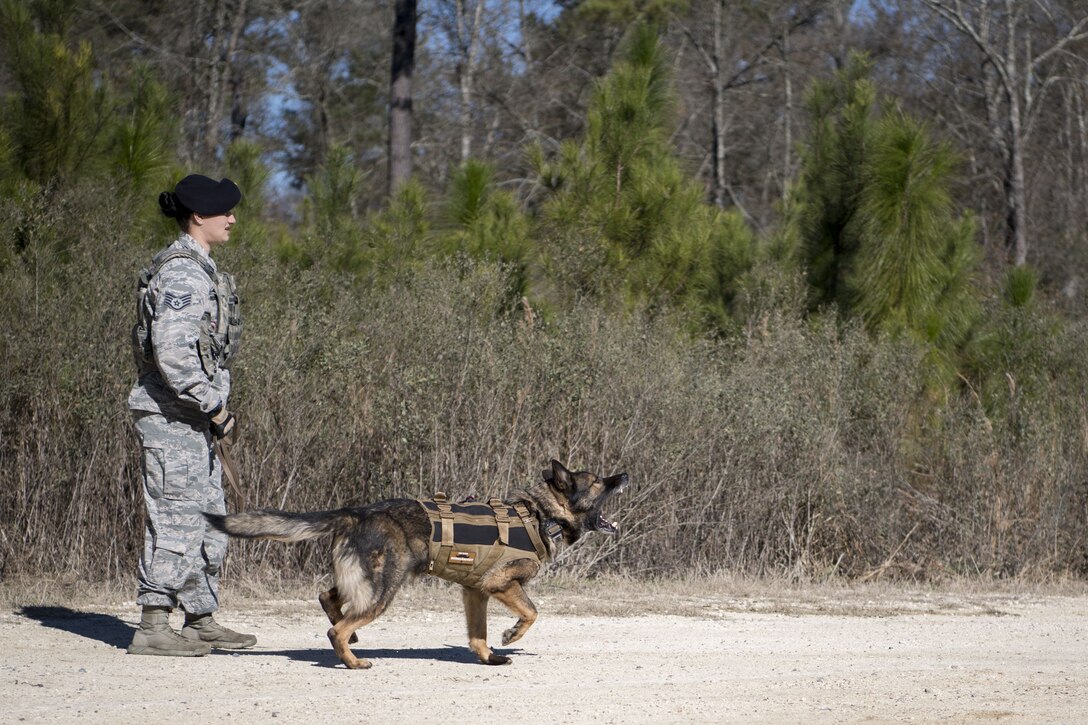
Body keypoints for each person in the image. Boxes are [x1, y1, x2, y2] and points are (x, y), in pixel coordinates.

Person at [126, 174, 255, 656]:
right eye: (225, 211)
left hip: (190, 419)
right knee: (176, 517)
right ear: (198, 216)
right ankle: (154, 624)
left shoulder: (200, 268)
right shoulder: (182, 274)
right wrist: (214, 405)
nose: (233, 219)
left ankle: (200, 619)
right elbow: (174, 354)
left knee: (207, 518)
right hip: (173, 416)